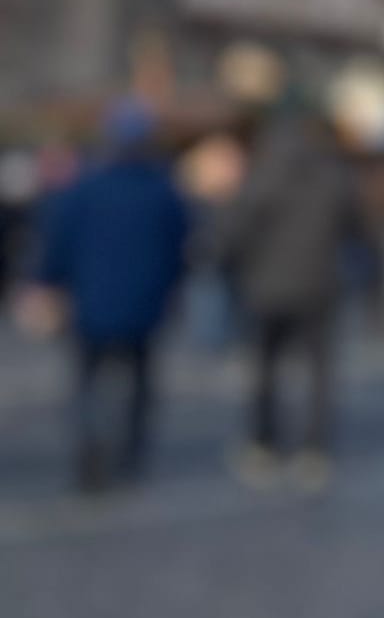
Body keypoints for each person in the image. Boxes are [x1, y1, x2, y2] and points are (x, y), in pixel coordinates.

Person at [31, 98, 190, 492]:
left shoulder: (85, 189)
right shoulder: (163, 191)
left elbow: (58, 245)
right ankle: (130, 455)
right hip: (143, 304)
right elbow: (180, 248)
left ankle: (91, 450)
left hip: (92, 304)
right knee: (137, 382)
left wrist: (47, 282)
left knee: (88, 383)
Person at [219, 93, 357, 490]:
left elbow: (236, 230)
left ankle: (264, 442)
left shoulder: (262, 175)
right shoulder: (333, 175)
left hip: (266, 286)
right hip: (318, 284)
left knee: (264, 369)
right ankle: (313, 449)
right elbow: (356, 227)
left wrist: (232, 265)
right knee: (318, 372)